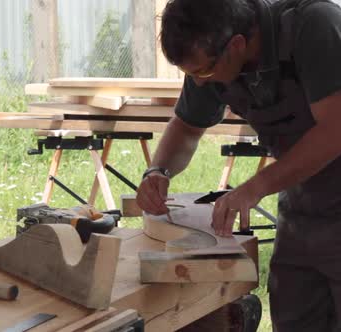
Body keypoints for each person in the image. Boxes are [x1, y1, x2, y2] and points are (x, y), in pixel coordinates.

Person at [135, 0, 341, 330]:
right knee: (294, 315)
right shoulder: (211, 53)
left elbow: (335, 130)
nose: (199, 83)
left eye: (202, 72)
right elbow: (187, 126)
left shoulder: (313, 26)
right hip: (304, 206)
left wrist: (255, 187)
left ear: (237, 44)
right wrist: (158, 170)